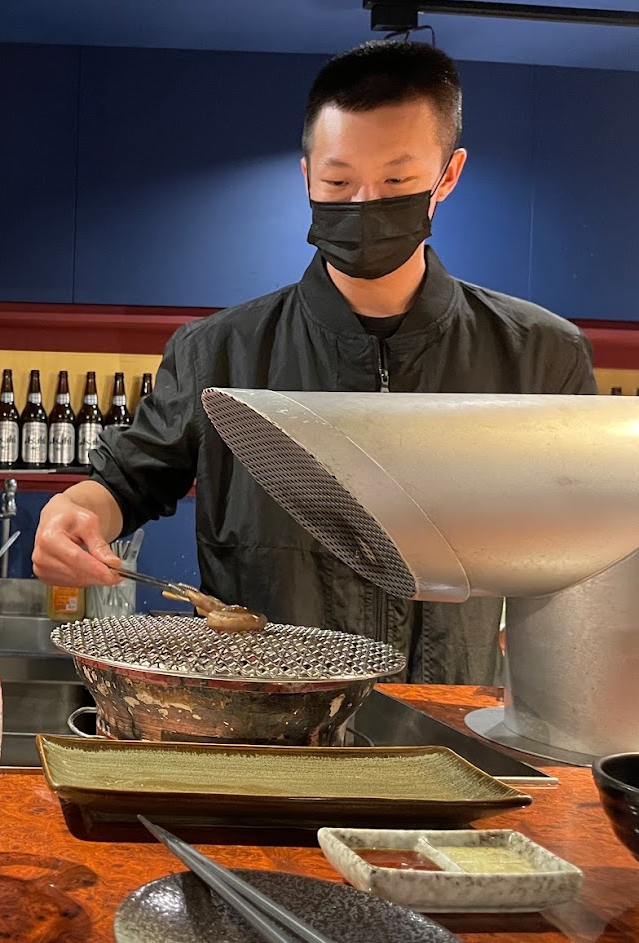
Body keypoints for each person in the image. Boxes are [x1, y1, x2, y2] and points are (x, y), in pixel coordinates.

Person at [31, 40, 596, 684]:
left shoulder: (539, 355)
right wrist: (75, 513)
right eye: (337, 181)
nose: (362, 204)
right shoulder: (219, 351)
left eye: (396, 182)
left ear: (448, 175)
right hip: (265, 716)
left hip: (450, 718)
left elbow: (584, 545)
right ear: (306, 177)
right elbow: (127, 483)